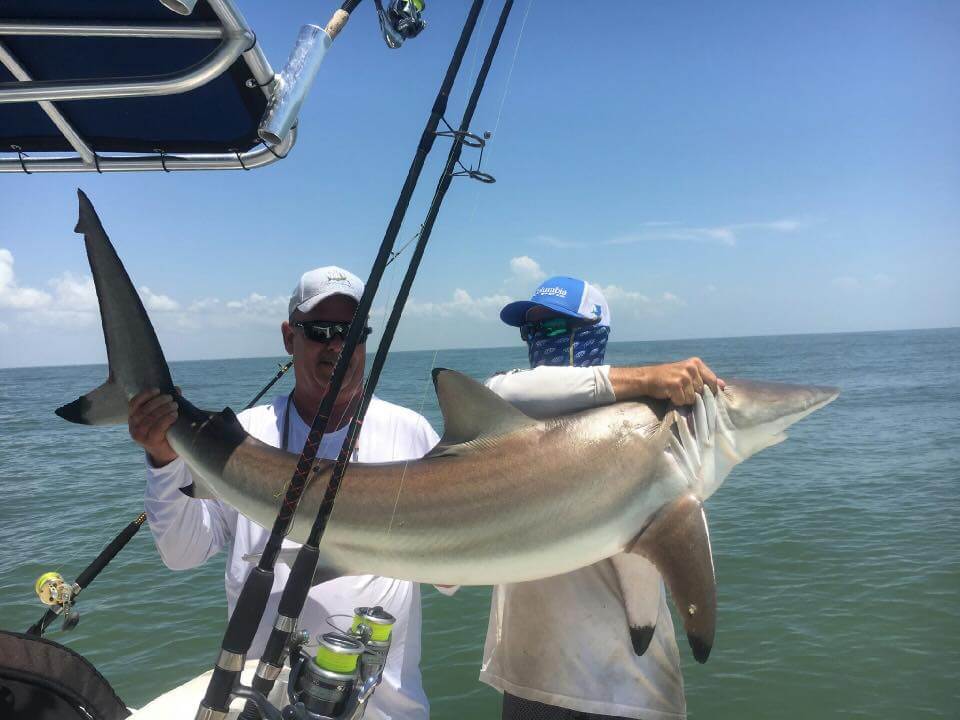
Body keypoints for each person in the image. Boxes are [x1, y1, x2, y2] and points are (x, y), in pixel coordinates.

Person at [128, 266, 439, 720]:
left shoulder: (412, 434)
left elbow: (451, 571)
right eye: (319, 331)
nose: (337, 345)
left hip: (386, 707)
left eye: (350, 332)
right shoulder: (243, 438)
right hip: (257, 696)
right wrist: (163, 460)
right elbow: (182, 552)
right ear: (288, 337)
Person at [479, 276, 723, 720]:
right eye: (533, 332)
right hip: (531, 680)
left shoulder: (639, 425)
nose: (541, 343)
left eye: (555, 330)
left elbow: (652, 565)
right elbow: (504, 388)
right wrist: (645, 376)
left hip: (627, 688)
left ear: (595, 334)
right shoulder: (508, 417)